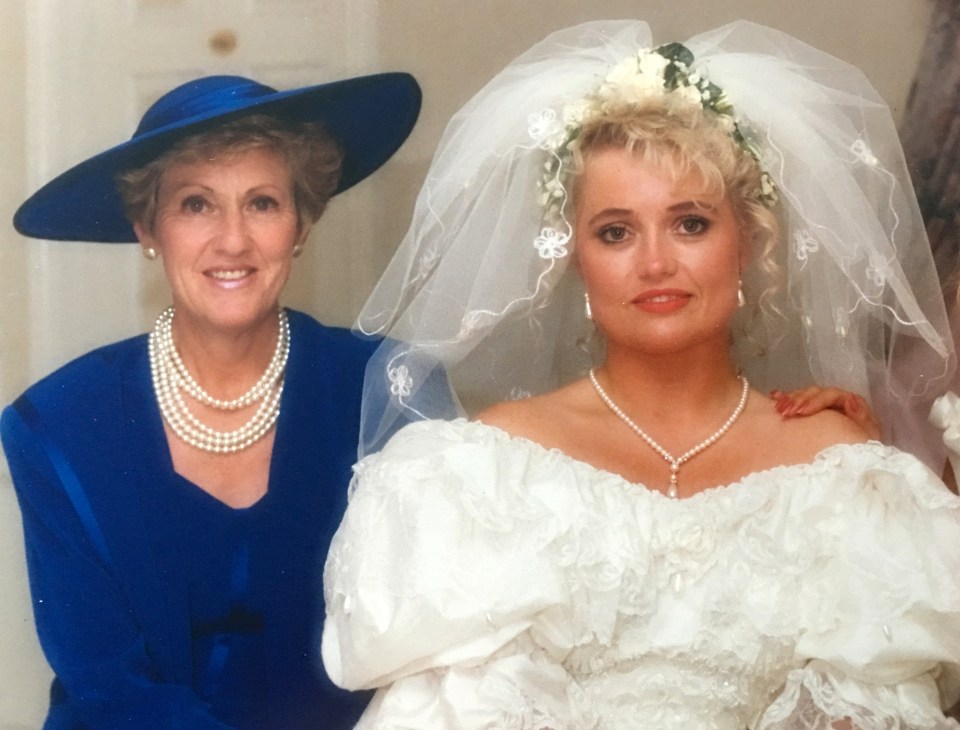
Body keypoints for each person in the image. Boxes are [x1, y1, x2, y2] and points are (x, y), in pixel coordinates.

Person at [320, 21, 960, 728]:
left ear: (746, 241)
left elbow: (870, 708)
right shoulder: (484, 474)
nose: (655, 263)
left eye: (690, 223)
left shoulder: (842, 472)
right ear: (575, 259)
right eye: (616, 232)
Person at [1, 72, 420, 729]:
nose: (232, 240)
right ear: (147, 226)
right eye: (196, 204)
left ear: (302, 221)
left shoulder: (391, 390)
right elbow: (108, 686)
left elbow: (436, 646)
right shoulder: (57, 424)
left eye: (262, 203)